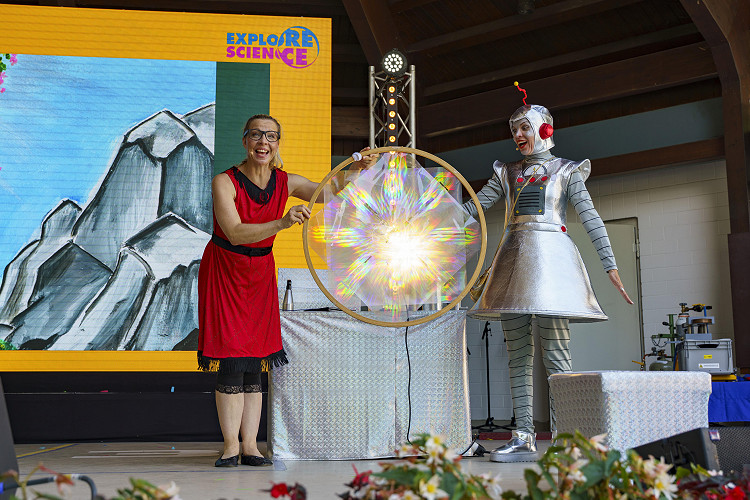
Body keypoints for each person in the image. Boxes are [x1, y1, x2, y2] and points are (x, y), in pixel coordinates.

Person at [197, 113, 372, 467]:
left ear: (278, 143)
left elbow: (330, 192)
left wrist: (358, 169)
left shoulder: (286, 181)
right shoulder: (224, 182)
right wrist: (282, 222)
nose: (264, 142)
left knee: (255, 361)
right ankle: (230, 446)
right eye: (256, 135)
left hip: (260, 272)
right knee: (231, 358)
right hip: (225, 269)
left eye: (271, 136)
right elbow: (235, 232)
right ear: (245, 141)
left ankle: (251, 446)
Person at [463, 102, 633, 463]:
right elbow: (476, 206)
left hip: (553, 266)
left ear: (544, 129)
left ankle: (564, 437)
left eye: (524, 127)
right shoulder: (506, 171)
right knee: (517, 356)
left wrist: (610, 265)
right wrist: (434, 217)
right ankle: (523, 437)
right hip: (512, 262)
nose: (518, 135)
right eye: (514, 130)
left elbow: (591, 217)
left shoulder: (567, 170)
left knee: (557, 354)